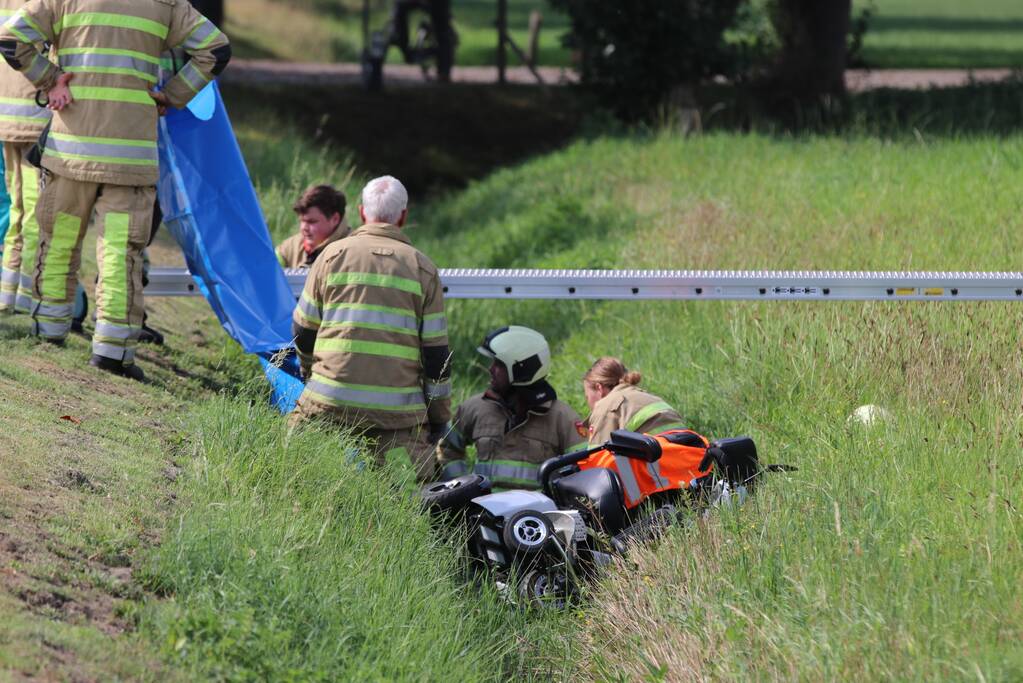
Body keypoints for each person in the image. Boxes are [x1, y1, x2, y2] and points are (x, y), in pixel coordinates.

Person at [0, 0, 230, 380]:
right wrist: (172, 95)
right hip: (131, 156)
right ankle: (112, 351)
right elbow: (216, 50)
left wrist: (50, 78)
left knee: (59, 241)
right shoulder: (166, 4)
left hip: (71, 150)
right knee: (120, 252)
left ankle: (50, 330)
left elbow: (11, 39)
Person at [289, 175, 450, 481]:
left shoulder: (331, 257)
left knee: (299, 478)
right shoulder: (423, 269)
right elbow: (436, 357)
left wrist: (312, 375)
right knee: (406, 499)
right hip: (399, 419)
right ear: (403, 216)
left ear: (362, 212)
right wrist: (438, 418)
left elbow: (302, 330)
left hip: (328, 403)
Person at [437, 326, 587, 490]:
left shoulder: (562, 418)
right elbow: (448, 449)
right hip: (482, 513)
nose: (491, 369)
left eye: (499, 364)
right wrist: (461, 490)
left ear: (522, 369)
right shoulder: (473, 408)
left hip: (535, 515)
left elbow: (584, 470)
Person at [0, 0, 49, 315]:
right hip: (36, 114)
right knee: (34, 210)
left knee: (19, 207)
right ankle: (23, 296)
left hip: (7, 115)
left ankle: (9, 293)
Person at [582, 357, 686, 446]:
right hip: (688, 457)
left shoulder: (605, 406)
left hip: (659, 464)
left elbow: (598, 459)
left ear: (599, 388)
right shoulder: (649, 396)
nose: (588, 403)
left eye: (587, 397)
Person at [276, 184, 350, 269]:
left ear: (335, 219)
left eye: (312, 222)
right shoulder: (289, 248)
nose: (304, 228)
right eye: (302, 221)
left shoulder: (351, 250)